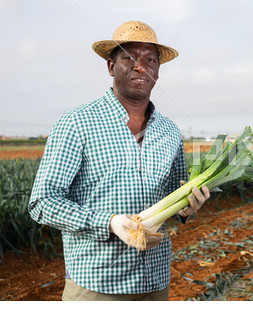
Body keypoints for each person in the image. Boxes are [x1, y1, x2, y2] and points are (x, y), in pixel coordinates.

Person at [28, 21, 210, 301]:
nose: (141, 66)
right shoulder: (77, 123)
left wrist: (187, 209)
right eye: (130, 58)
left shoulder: (170, 131)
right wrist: (110, 223)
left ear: (158, 71)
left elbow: (176, 193)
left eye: (150, 60)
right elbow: (43, 201)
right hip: (97, 286)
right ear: (112, 67)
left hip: (156, 282)